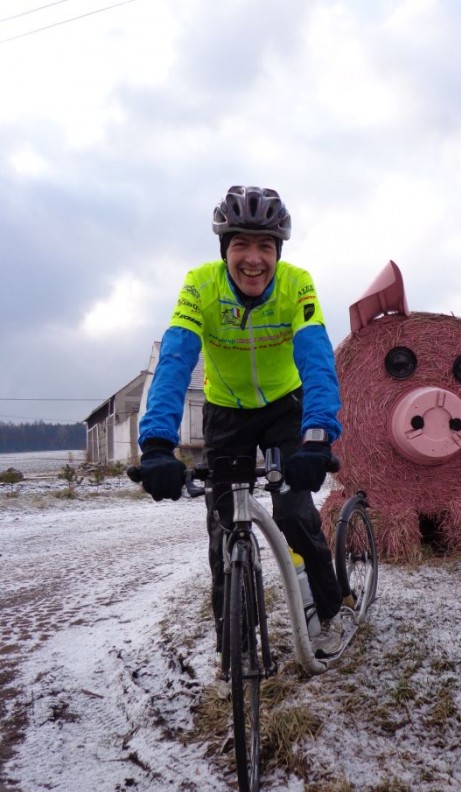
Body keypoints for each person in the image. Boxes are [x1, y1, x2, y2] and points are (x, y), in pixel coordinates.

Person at [136, 185, 347, 657]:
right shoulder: (200, 285)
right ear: (223, 250)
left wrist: (316, 437)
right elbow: (174, 358)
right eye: (241, 245)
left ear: (278, 252)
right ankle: (235, 641)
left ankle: (329, 611)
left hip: (283, 406)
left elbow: (316, 359)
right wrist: (156, 444)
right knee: (224, 523)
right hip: (226, 411)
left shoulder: (297, 284)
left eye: (265, 246)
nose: (254, 259)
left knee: (294, 512)